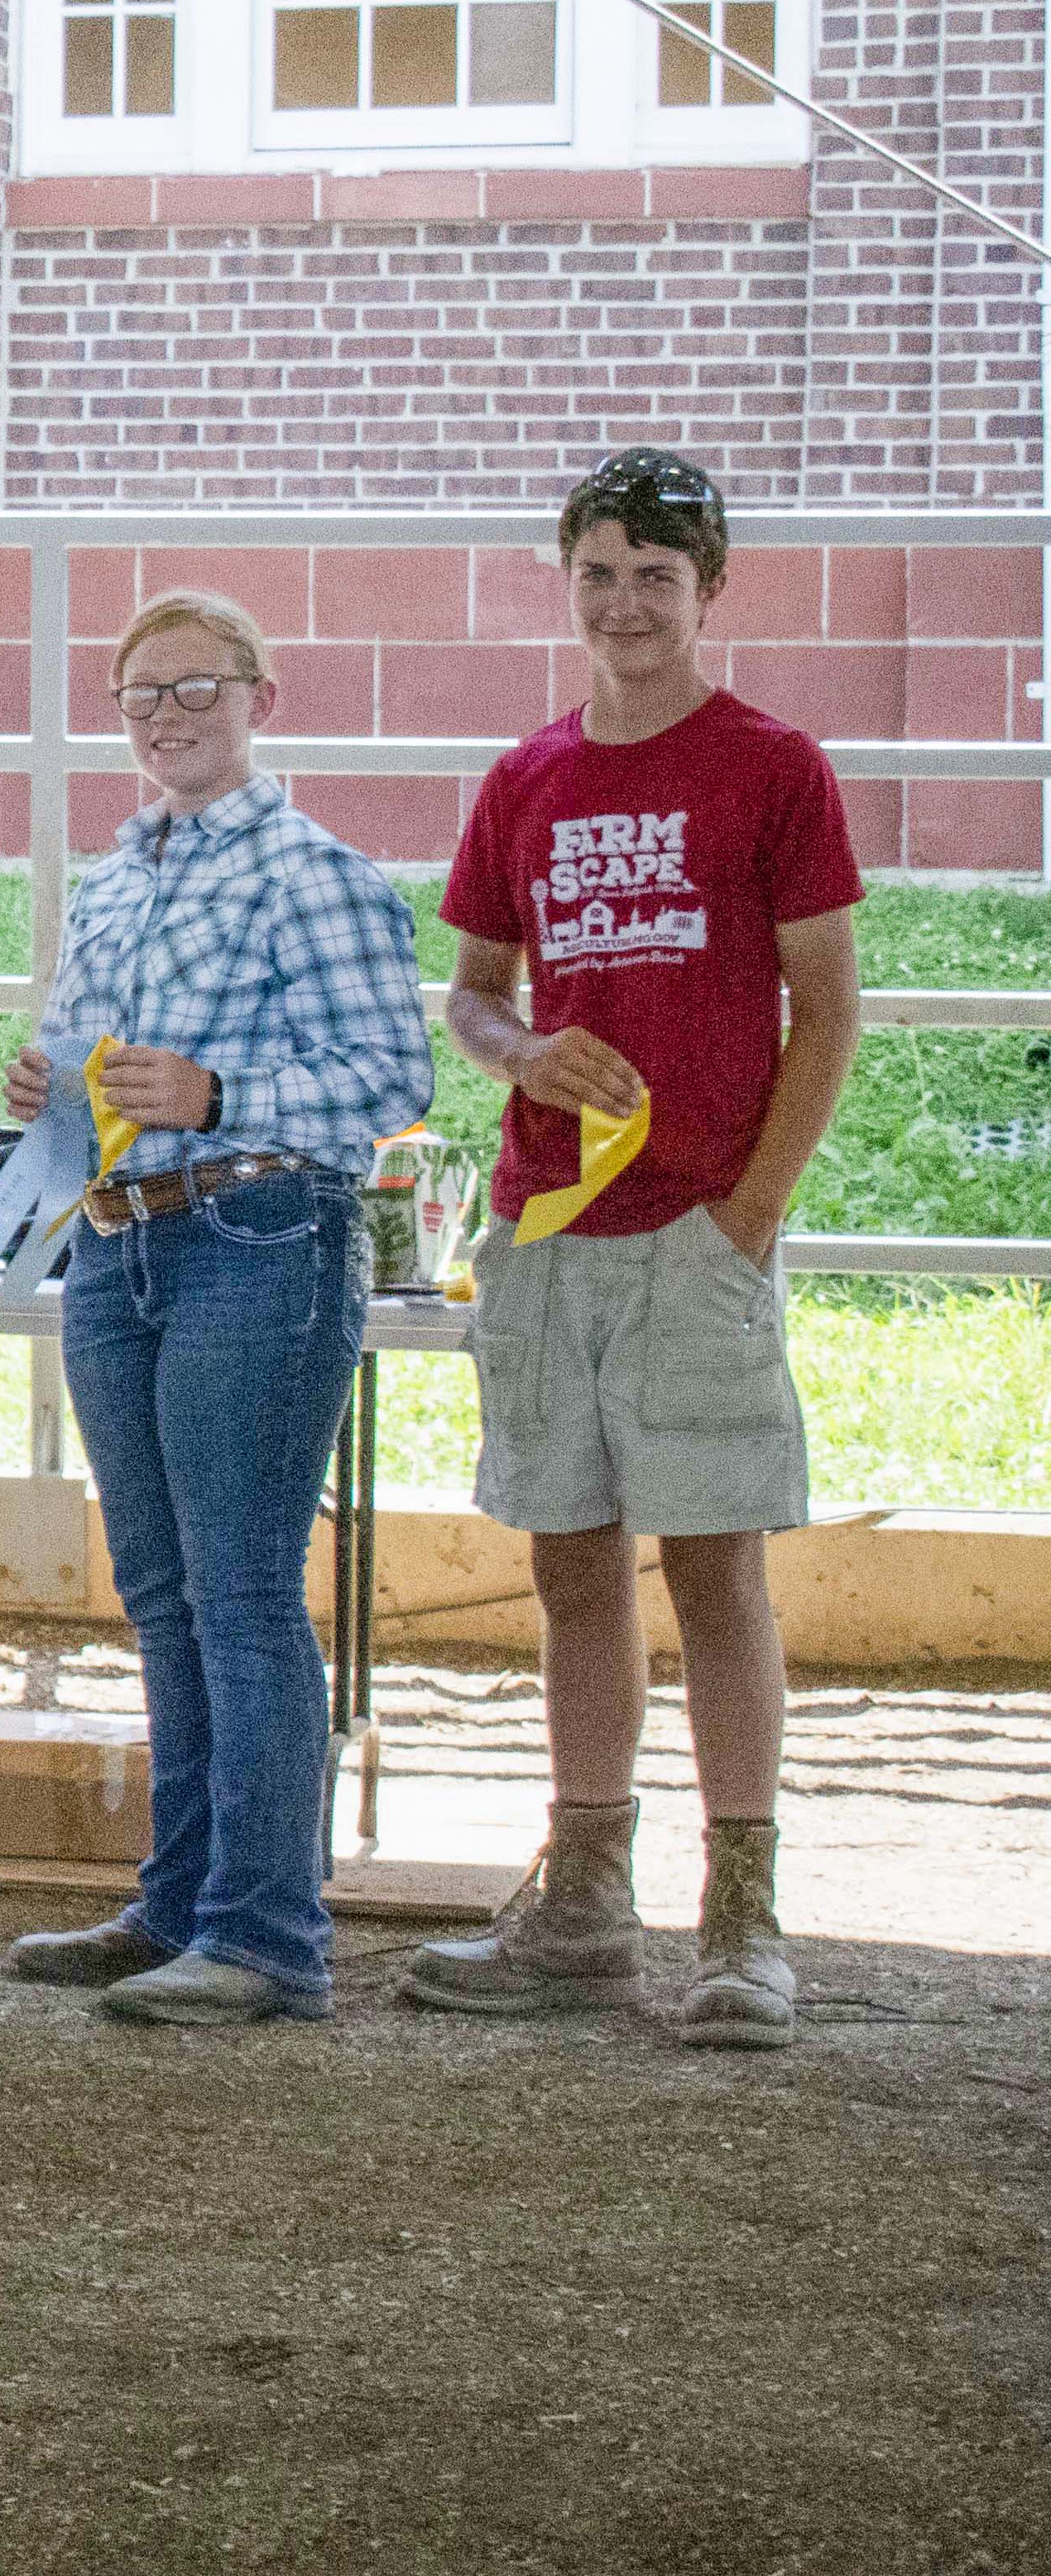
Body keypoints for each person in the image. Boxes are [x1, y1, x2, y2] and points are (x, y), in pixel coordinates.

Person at [405, 449, 857, 2050]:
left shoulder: (771, 765)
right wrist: (518, 1051)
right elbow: (467, 988)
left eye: (656, 574)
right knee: (569, 1559)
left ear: (707, 587)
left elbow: (831, 1007)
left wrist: (750, 1214)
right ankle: (588, 1896)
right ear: (569, 584)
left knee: (717, 1563)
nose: (624, 602)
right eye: (598, 571)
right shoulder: (526, 776)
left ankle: (746, 1916)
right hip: (548, 1227)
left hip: (695, 1228)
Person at [0, 592, 433, 2027]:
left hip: (259, 1228)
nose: (169, 715)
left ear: (260, 696)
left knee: (241, 1593)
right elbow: (92, 1060)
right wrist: (46, 1091)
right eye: (142, 697)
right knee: (167, 1594)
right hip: (117, 1242)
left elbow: (389, 1080)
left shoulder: (321, 874)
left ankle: (266, 1929)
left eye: (196, 688)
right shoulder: (113, 882)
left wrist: (218, 1094)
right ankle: (182, 1901)